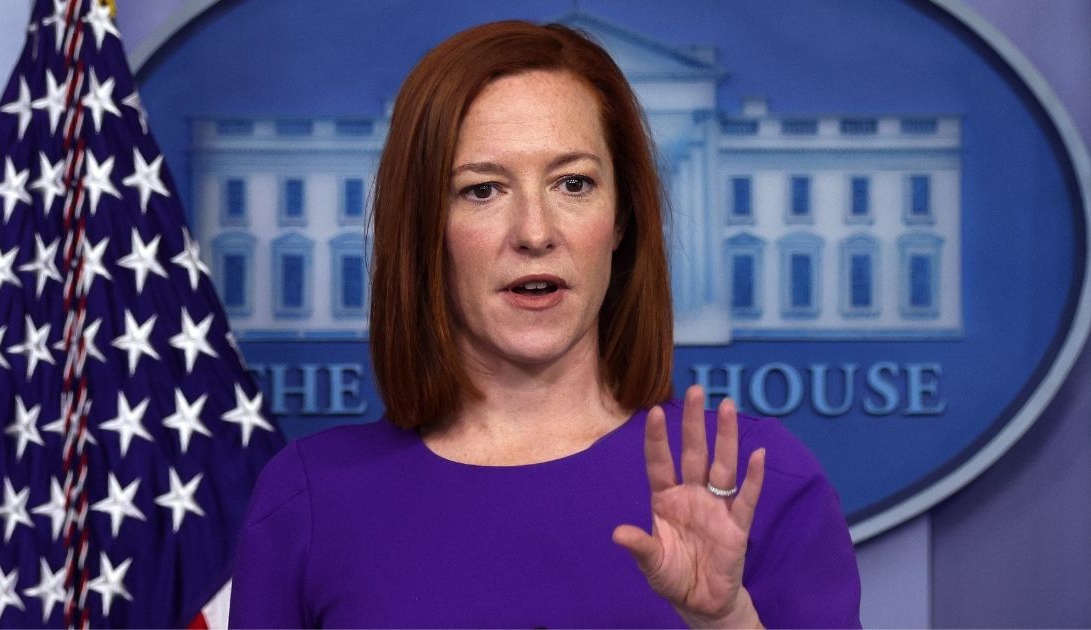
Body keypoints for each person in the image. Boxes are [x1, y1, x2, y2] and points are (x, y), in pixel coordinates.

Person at [229, 20, 860, 628]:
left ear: (620, 221)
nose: (535, 232)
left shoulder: (753, 483)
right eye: (482, 190)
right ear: (424, 228)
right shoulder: (312, 499)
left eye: (573, 183)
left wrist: (726, 624)